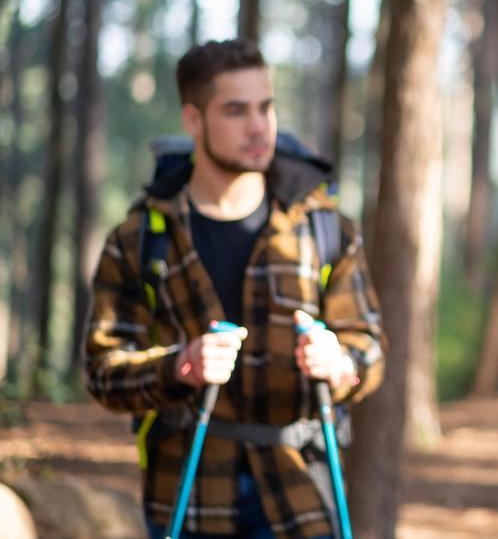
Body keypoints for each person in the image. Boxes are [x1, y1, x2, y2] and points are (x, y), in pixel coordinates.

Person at [83, 39, 386, 539]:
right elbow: (102, 371)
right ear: (194, 119)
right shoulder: (140, 239)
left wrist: (340, 362)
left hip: (301, 498)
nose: (258, 126)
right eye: (236, 110)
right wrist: (179, 365)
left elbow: (369, 347)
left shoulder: (325, 228)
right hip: (186, 497)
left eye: (266, 107)